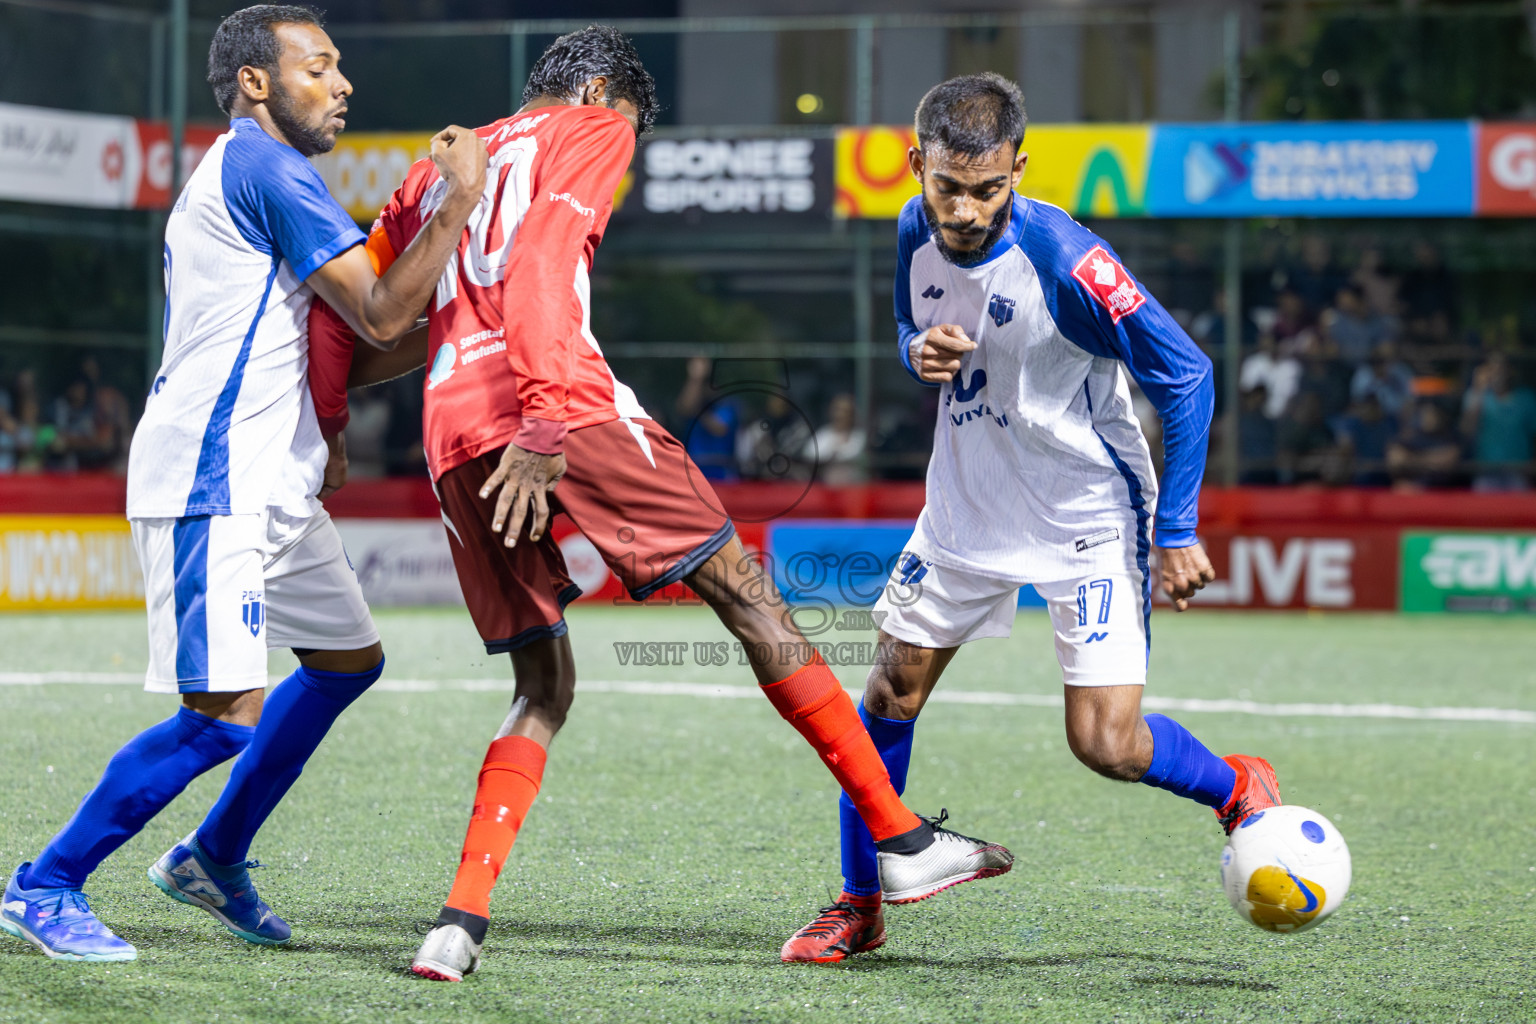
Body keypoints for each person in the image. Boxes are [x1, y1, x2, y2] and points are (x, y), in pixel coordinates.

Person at [305, 26, 1011, 983]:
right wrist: (545, 420)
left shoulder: (441, 166)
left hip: (449, 435)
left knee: (542, 687)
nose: (626, 154)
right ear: (600, 91)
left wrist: (331, 425)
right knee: (748, 598)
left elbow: (359, 315)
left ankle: (456, 925)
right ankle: (900, 838)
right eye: (631, 129)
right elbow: (545, 258)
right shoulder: (591, 126)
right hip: (558, 408)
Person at [1, 4, 487, 963]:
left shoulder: (258, 173)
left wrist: (462, 320)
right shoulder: (265, 166)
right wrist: (460, 203)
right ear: (255, 83)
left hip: (271, 482)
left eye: (338, 67)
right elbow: (381, 312)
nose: (342, 84)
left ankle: (213, 856)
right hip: (212, 475)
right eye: (319, 67)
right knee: (224, 718)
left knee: (347, 662)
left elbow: (358, 342)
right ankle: (43, 885)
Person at [779, 73, 1283, 965]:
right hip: (965, 506)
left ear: (1018, 168)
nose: (964, 210)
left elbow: (1187, 375)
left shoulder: (1069, 261)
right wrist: (914, 348)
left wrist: (1175, 530)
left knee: (1106, 744)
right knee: (887, 697)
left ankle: (1237, 783)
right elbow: (905, 320)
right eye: (947, 186)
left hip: (1084, 513)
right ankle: (861, 905)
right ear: (917, 165)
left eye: (986, 189)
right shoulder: (912, 227)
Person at [1460, 352, 1536, 491]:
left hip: (1519, 471)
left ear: (1510, 370)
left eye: (1500, 367)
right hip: (1486, 471)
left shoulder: (1526, 398)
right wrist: (1478, 390)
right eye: (1491, 368)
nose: (1496, 373)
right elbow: (1467, 429)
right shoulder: (1475, 396)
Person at [804, 392, 867, 485]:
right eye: (837, 410)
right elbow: (809, 455)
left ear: (852, 414)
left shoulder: (859, 436)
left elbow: (853, 455)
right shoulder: (822, 434)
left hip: (853, 486)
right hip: (824, 486)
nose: (841, 415)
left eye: (846, 411)